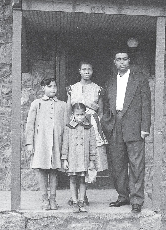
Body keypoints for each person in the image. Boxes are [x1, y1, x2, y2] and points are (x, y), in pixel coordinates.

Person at [101, 50, 151, 213]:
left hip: (134, 127)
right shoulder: (110, 81)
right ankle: (123, 196)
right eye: (118, 59)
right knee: (118, 164)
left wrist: (145, 127)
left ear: (129, 61)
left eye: (124, 59)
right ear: (114, 62)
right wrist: (107, 124)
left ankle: (136, 199)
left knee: (136, 164)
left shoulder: (139, 79)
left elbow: (146, 104)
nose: (121, 62)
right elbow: (106, 105)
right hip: (115, 126)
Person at [66, 61, 108, 205]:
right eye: (84, 69)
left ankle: (84, 196)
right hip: (74, 125)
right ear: (79, 71)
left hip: (91, 125)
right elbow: (68, 109)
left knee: (88, 159)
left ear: (92, 71)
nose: (87, 72)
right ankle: (74, 196)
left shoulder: (97, 89)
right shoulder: (72, 88)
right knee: (75, 158)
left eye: (89, 69)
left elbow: (100, 112)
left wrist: (94, 124)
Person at [25, 77, 67, 210]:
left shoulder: (62, 105)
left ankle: (53, 199)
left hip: (56, 143)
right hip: (40, 143)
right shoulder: (36, 103)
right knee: (41, 170)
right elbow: (30, 125)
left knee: (54, 170)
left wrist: (64, 145)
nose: (53, 89)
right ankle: (44, 199)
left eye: (55, 86)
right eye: (49, 86)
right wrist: (29, 143)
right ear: (43, 88)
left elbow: (66, 126)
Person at [61, 103, 96, 213]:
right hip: (73, 159)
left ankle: (81, 201)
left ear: (85, 114)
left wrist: (92, 160)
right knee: (72, 179)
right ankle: (75, 201)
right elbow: (65, 144)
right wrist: (64, 159)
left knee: (82, 180)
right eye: (77, 115)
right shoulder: (68, 127)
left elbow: (92, 145)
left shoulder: (89, 128)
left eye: (82, 114)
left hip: (84, 159)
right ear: (73, 114)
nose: (80, 117)